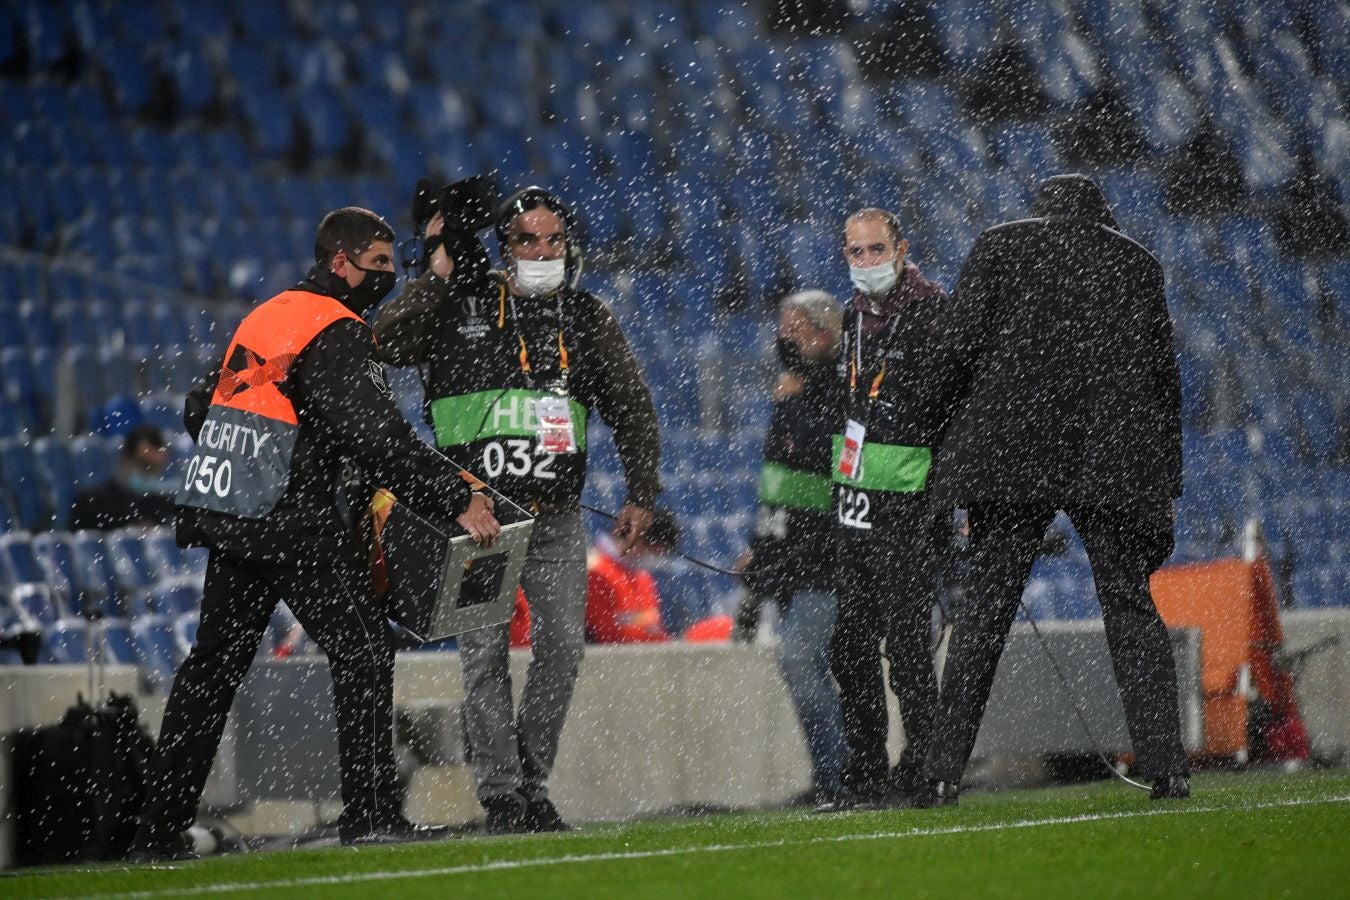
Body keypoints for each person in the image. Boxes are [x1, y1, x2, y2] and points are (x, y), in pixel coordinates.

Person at [128, 207, 500, 862]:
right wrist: (456, 497)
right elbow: (374, 435)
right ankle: (372, 815)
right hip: (292, 525)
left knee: (210, 672)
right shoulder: (335, 328)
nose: (386, 277)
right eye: (378, 265)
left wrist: (266, 461)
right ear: (341, 262)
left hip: (233, 515)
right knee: (362, 653)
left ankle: (156, 835)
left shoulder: (271, 316)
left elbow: (201, 405)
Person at [374, 182, 662, 833]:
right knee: (483, 660)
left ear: (569, 245)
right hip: (478, 519)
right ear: (503, 247)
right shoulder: (459, 304)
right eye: (527, 239)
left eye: (552, 239)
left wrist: (642, 492)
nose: (541, 249)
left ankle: (530, 782)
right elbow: (386, 342)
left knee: (563, 649)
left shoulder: (587, 318)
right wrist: (437, 276)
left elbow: (632, 406)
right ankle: (503, 796)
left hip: (558, 517)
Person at [921, 174, 1190, 806]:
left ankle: (940, 774)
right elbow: (1162, 380)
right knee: (1129, 606)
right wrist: (1166, 479)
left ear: (1040, 209)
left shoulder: (999, 245)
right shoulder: (1137, 263)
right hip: (1109, 455)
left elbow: (955, 351)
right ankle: (1167, 767)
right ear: (1104, 213)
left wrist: (932, 447)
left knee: (984, 613)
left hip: (1011, 454)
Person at [823, 208, 950, 811]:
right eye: (857, 253)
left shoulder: (932, 313)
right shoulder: (851, 316)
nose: (867, 263)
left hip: (908, 509)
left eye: (877, 251)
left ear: (901, 249)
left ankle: (925, 769)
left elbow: (953, 412)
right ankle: (867, 768)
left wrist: (951, 502)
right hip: (855, 507)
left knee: (905, 647)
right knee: (849, 647)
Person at [735, 289, 847, 806]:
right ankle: (832, 778)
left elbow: (830, 496)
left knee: (802, 664)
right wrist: (762, 546)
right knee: (809, 668)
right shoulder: (789, 401)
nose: (784, 338)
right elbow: (778, 488)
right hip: (791, 563)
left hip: (825, 564)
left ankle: (836, 779)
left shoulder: (834, 400)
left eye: (794, 329)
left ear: (824, 334)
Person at [584, 507, 677, 645]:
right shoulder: (595, 571)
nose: (655, 557)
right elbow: (606, 634)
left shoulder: (643, 576)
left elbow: (655, 629)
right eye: (654, 550)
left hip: (643, 659)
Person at [69, 424, 175, 530]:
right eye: (144, 464)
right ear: (125, 458)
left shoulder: (166, 507)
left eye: (155, 467)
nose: (148, 473)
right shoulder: (90, 503)